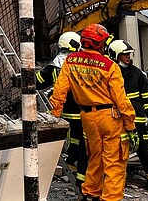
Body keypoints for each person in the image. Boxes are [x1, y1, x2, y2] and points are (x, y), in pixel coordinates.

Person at [49, 23, 138, 201]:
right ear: (100, 44)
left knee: (94, 158)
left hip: (88, 118)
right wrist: (131, 125)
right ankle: (110, 198)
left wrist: (55, 115)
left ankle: (90, 193)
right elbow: (121, 99)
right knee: (115, 162)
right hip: (110, 118)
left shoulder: (70, 61)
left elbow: (59, 91)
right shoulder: (110, 66)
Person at [107, 40, 148, 198]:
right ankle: (114, 185)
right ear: (115, 56)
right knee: (114, 153)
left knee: (145, 150)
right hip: (115, 120)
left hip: (136, 120)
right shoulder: (108, 73)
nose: (128, 57)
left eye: (128, 54)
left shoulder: (137, 73)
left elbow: (147, 96)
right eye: (124, 55)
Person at [36, 31, 88, 193]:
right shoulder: (82, 62)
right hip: (83, 109)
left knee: (72, 139)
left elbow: (39, 81)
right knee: (82, 142)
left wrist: (22, 80)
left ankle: (72, 163)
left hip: (63, 110)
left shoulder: (56, 64)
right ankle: (80, 175)